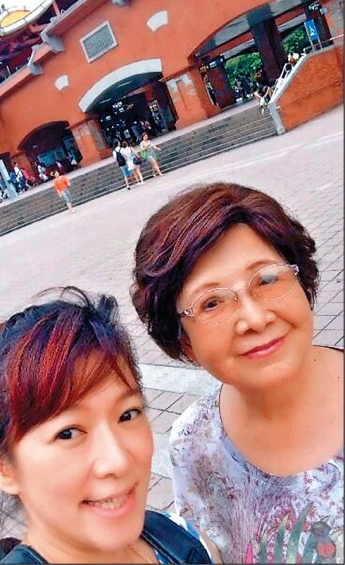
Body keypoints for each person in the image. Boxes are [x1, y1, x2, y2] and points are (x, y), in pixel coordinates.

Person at [131, 181, 343, 564]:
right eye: (211, 303)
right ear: (184, 341)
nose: (255, 319)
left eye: (267, 279)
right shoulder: (194, 446)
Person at [0, 286, 220, 564]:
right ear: (2, 466)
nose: (118, 461)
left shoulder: (181, 537)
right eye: (68, 433)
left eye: (127, 415)